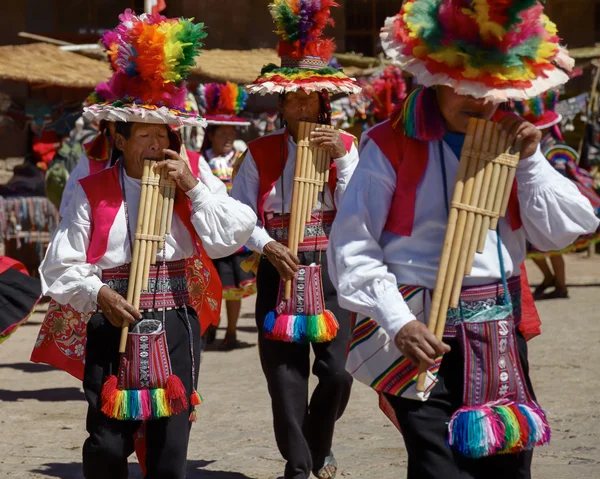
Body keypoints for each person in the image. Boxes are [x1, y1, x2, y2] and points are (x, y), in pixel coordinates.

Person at [329, 2, 600, 479]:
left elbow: (567, 227)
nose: (480, 101)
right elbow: (354, 247)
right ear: (433, 80)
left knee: (509, 468)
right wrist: (397, 321)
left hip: (499, 330)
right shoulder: (386, 145)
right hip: (418, 328)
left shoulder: (514, 144)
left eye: (492, 90)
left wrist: (531, 162)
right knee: (439, 469)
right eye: (465, 88)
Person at [36, 11, 256, 478]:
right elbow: (60, 266)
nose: (157, 144)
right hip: (113, 315)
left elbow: (233, 235)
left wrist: (194, 190)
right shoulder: (91, 187)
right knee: (107, 441)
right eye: (144, 133)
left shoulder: (191, 175)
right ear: (118, 137)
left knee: (171, 443)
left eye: (163, 133)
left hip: (175, 317)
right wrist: (99, 295)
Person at [231, 2, 361, 478]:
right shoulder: (259, 152)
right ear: (281, 106)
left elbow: (360, 210)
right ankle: (300, 463)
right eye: (293, 100)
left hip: (330, 269)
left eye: (310, 100)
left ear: (325, 103)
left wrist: (341, 164)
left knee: (337, 372)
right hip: (279, 265)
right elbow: (240, 214)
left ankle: (318, 440)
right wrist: (268, 243)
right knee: (284, 377)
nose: (302, 107)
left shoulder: (346, 146)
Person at [514, 91, 600, 299]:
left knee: (555, 248)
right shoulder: (533, 146)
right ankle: (550, 279)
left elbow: (559, 180)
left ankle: (560, 285)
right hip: (532, 203)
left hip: (553, 201)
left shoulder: (553, 148)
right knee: (536, 250)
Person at [199, 82, 257, 349]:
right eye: (222, 132)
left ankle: (231, 331)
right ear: (211, 135)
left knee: (232, 286)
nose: (227, 137)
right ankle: (211, 325)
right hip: (208, 231)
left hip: (233, 230)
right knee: (211, 283)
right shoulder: (201, 160)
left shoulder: (242, 157)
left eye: (231, 132)